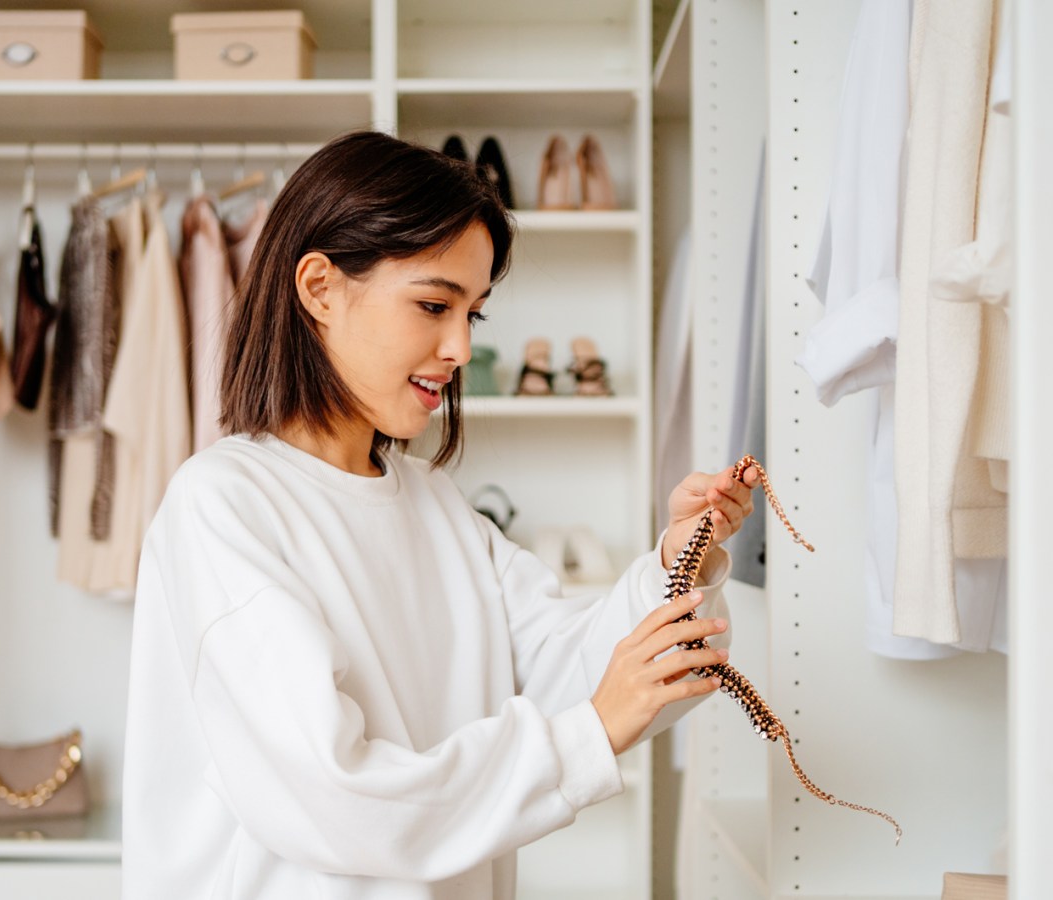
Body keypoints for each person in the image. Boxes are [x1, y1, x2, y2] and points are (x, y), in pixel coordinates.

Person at [121, 131, 758, 900]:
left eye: (474, 315)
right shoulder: (224, 507)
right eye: (433, 304)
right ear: (320, 288)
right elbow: (338, 795)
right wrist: (587, 733)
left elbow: (571, 671)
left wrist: (678, 560)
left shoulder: (435, 505)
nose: (457, 347)